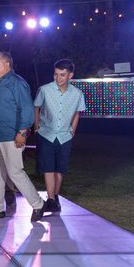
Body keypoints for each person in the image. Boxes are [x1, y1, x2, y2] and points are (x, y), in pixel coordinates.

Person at [0, 52, 45, 221]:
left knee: (15, 172)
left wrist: (22, 132)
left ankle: (38, 204)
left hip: (11, 135)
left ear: (7, 64)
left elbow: (27, 109)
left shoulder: (17, 83)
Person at [33, 59, 85, 212]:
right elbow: (36, 107)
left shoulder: (77, 94)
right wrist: (36, 126)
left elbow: (77, 113)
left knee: (59, 169)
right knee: (48, 167)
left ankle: (55, 197)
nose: (58, 78)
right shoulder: (44, 90)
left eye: (62, 75)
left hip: (65, 136)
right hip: (46, 134)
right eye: (56, 74)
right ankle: (50, 199)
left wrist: (73, 130)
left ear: (70, 76)